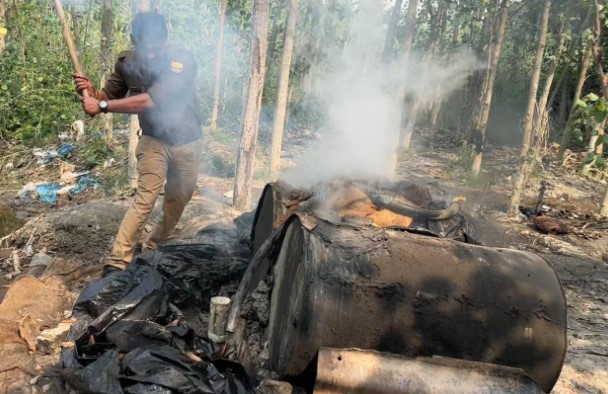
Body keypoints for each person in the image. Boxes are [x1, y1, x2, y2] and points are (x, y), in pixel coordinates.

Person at [73, 12, 202, 276]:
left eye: (157, 48)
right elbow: (107, 96)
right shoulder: (126, 62)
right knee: (145, 197)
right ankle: (117, 261)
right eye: (146, 49)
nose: (151, 56)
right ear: (134, 41)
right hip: (153, 140)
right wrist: (90, 95)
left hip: (187, 143)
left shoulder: (181, 60)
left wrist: (102, 105)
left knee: (177, 202)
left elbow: (150, 101)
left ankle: (153, 246)